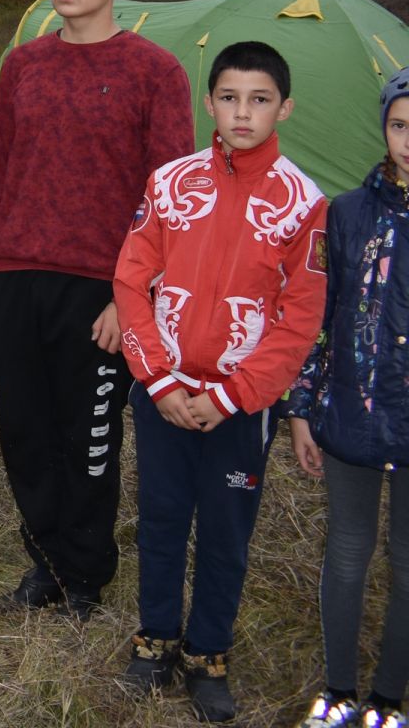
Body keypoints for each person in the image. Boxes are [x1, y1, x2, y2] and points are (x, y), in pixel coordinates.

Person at [0, 0, 192, 617]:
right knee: (24, 432)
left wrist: (133, 300)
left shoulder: (155, 72)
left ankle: (85, 572)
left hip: (101, 288)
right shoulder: (25, 65)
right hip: (16, 278)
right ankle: (46, 562)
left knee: (87, 436)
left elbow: (167, 199)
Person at [107, 41, 326, 721]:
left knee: (226, 530)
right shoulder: (170, 183)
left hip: (241, 405)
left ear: (283, 107)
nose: (243, 112)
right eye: (229, 97)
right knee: (163, 518)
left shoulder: (303, 203)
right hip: (164, 391)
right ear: (209, 103)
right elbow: (130, 280)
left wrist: (232, 395)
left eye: (259, 100)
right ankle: (156, 639)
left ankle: (208, 653)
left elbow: (298, 320)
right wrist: (160, 381)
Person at [286, 68, 409, 728]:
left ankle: (390, 700)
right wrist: (302, 409)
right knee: (348, 551)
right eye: (399, 125)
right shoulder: (347, 214)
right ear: (384, 127)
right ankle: (337, 691)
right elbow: (318, 316)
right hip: (352, 415)